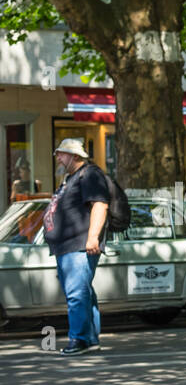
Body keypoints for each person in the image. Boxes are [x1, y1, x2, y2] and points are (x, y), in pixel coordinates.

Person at [43, 138, 108, 355]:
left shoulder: (89, 174)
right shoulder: (70, 178)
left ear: (75, 156)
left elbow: (100, 204)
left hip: (78, 244)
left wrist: (93, 237)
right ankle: (89, 339)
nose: (58, 158)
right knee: (83, 293)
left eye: (61, 154)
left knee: (77, 293)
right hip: (67, 246)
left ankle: (79, 340)